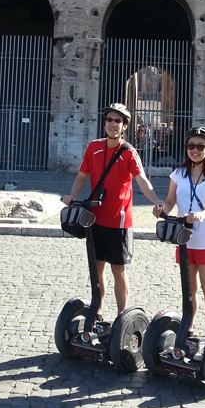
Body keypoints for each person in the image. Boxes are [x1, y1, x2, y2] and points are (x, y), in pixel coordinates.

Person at [62, 103, 165, 318]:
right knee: (97, 268)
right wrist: (72, 196)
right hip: (95, 219)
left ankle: (121, 317)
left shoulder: (128, 152)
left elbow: (142, 180)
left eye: (118, 121)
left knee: (118, 270)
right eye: (109, 119)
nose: (113, 124)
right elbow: (81, 176)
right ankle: (97, 312)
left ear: (125, 126)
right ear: (105, 122)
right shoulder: (93, 147)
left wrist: (156, 200)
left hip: (119, 222)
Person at [153, 126, 205, 336]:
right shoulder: (178, 173)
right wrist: (162, 209)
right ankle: (189, 330)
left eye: (200, 146)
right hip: (184, 239)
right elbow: (170, 201)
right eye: (191, 146)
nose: (195, 150)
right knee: (189, 291)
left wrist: (201, 215)